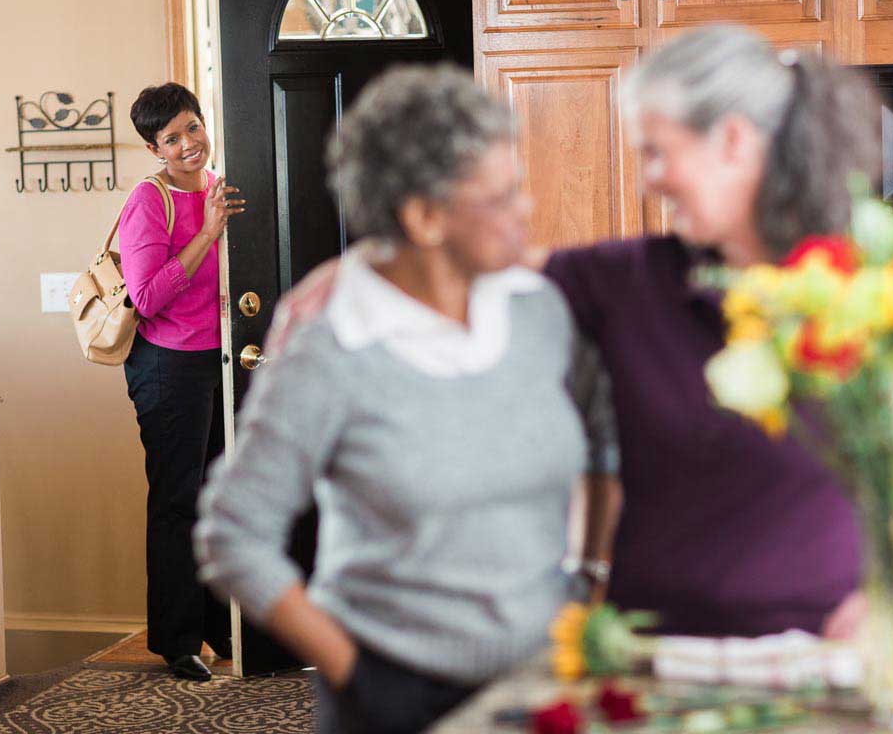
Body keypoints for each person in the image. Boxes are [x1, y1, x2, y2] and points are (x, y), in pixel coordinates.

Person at [265, 25, 883, 639]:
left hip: (824, 657)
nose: (647, 180)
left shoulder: (880, 297)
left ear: (733, 141)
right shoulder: (629, 280)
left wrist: (890, 604)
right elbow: (465, 255)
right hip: (652, 659)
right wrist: (359, 267)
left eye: (657, 152)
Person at [194, 64, 617, 733]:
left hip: (547, 683)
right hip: (395, 703)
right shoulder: (331, 348)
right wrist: (357, 674)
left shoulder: (539, 311)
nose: (527, 211)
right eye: (503, 197)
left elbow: (603, 443)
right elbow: (233, 534)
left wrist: (587, 582)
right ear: (424, 217)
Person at [119, 82, 245, 681]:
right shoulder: (150, 200)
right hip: (167, 367)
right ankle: (178, 639)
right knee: (178, 500)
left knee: (217, 496)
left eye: (192, 127)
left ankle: (223, 624)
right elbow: (146, 297)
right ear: (154, 149)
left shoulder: (218, 187)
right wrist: (207, 233)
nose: (188, 143)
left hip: (221, 360)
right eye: (172, 138)